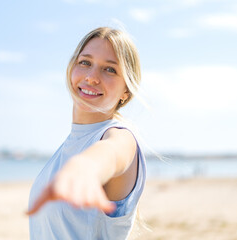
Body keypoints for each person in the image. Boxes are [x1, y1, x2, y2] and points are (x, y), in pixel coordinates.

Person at [26, 26, 147, 240]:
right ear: (72, 67)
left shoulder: (121, 136)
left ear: (126, 90)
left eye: (109, 69)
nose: (91, 77)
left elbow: (110, 153)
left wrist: (85, 167)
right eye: (85, 63)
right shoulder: (69, 143)